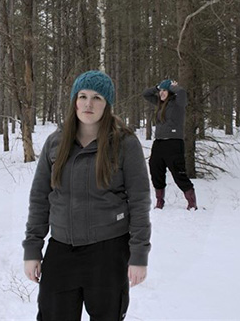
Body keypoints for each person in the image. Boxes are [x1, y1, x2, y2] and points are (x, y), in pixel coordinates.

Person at [23, 70, 151, 321]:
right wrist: (32, 249)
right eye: (82, 96)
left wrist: (139, 255)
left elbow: (139, 201)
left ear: (107, 105)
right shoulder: (55, 143)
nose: (88, 104)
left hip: (107, 252)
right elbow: (40, 198)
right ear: (74, 101)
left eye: (97, 98)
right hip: (61, 249)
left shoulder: (124, 143)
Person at [142, 79, 198, 210]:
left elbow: (182, 92)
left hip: (174, 143)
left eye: (164, 90)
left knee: (178, 173)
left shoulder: (178, 103)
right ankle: (159, 201)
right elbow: (145, 94)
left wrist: (173, 87)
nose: (161, 93)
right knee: (155, 169)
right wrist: (157, 87)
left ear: (170, 92)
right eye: (160, 90)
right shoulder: (159, 103)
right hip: (159, 142)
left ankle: (191, 202)